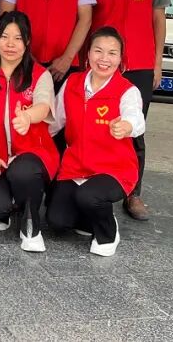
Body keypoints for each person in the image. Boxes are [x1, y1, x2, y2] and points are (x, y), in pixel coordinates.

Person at [88, 0, 169, 222]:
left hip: (139, 65)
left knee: (134, 130)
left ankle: (133, 193)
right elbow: (85, 18)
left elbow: (158, 19)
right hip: (101, 65)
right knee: (94, 126)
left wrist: (157, 63)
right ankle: (93, 185)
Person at [46, 27, 145, 257]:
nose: (104, 59)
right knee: (57, 221)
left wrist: (127, 126)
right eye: (98, 51)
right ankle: (89, 217)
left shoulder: (127, 91)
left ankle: (108, 232)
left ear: (120, 58)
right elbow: (54, 122)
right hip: (76, 167)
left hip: (113, 169)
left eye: (112, 53)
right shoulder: (72, 83)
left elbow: (136, 118)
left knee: (89, 196)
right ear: (88, 53)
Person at [0, 12, 58, 252]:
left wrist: (27, 117)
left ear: (27, 42)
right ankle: (9, 203)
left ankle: (31, 223)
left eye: (17, 38)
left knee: (23, 171)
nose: (10, 44)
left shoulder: (40, 74)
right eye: (4, 36)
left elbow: (43, 105)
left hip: (30, 154)